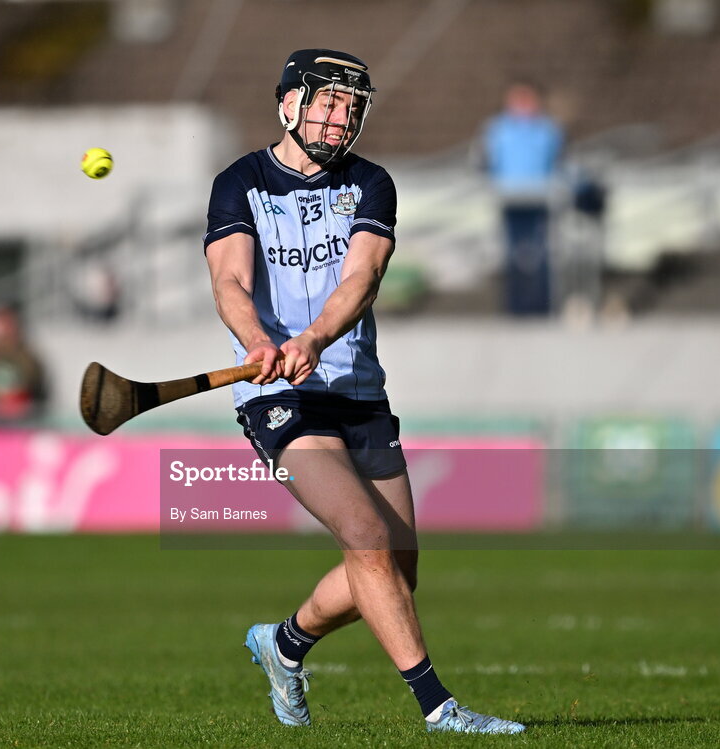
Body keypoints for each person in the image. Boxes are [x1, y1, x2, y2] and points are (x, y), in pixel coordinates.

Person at [203, 49, 525, 735]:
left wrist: (314, 338)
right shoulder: (240, 182)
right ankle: (440, 707)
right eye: (326, 101)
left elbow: (362, 279)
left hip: (356, 387)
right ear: (288, 104)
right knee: (365, 535)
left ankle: (283, 643)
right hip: (278, 396)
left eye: (351, 106)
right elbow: (229, 280)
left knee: (395, 569)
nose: (339, 117)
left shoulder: (371, 183)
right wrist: (259, 340)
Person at [481, 80, 564, 316]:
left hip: (540, 198)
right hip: (509, 198)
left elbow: (557, 162)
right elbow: (487, 162)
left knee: (541, 253)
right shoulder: (497, 130)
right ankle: (515, 307)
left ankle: (542, 306)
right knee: (512, 254)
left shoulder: (548, 130)